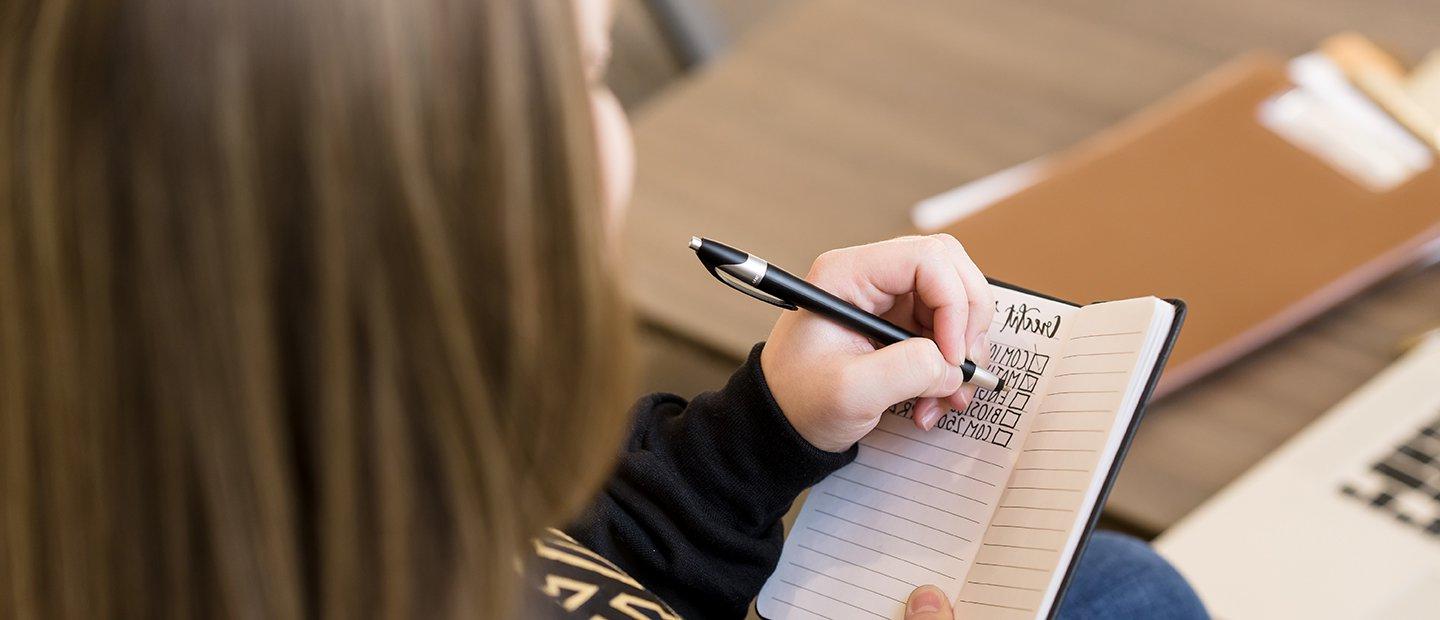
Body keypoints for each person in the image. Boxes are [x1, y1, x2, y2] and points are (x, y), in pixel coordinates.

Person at [0, 0, 1207, 618]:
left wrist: (758, 438)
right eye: (589, 74)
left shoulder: (248, 455)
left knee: (1108, 581)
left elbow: (564, 566)